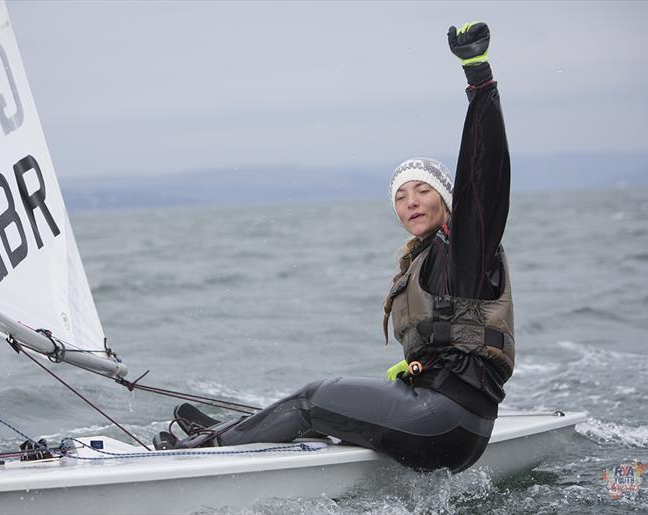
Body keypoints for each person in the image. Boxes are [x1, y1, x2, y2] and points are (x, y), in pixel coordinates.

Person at [155, 21, 514, 474]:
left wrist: (478, 78)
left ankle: (208, 451)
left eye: (423, 191)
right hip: (450, 423)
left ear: (446, 201)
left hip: (444, 422)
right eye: (401, 196)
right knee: (323, 408)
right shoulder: (427, 258)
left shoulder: (466, 249)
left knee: (312, 399)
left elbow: (485, 177)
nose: (411, 202)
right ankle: (230, 432)